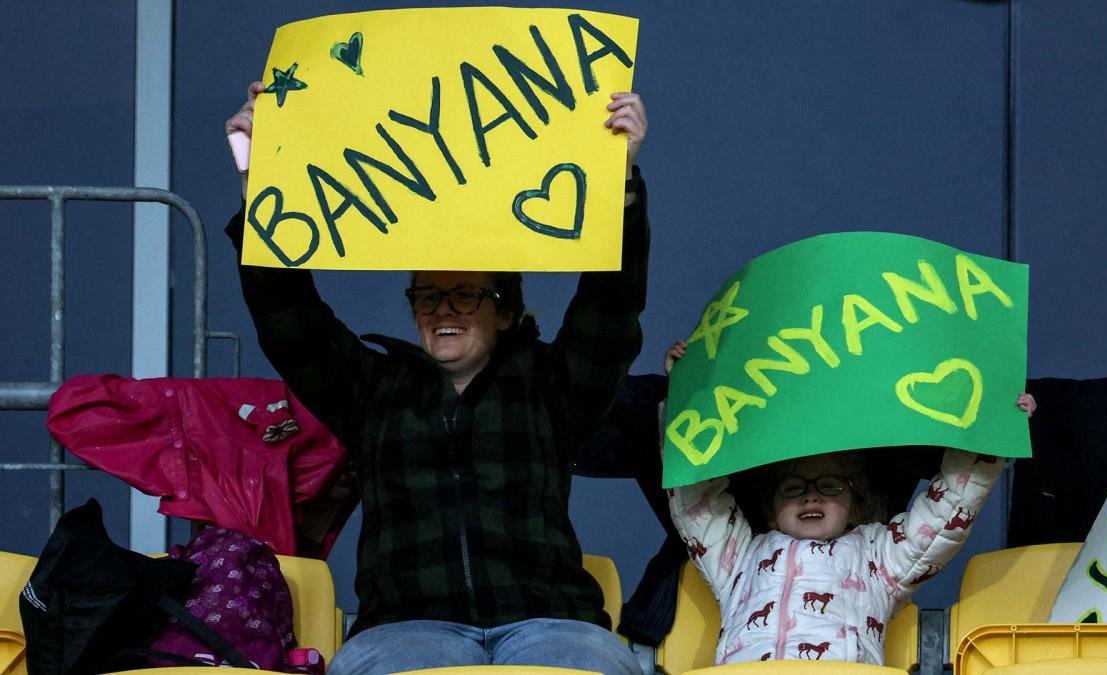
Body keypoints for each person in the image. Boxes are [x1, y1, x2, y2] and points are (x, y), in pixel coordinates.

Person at [223, 80, 649, 675]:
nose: (443, 310)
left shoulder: (552, 387)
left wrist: (620, 182)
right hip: (406, 628)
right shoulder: (372, 389)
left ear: (504, 310)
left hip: (549, 623)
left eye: (465, 295)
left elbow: (611, 307)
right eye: (427, 296)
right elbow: (287, 318)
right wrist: (261, 184)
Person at [662, 340, 1034, 665]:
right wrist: (687, 391)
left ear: (857, 505)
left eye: (830, 485)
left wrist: (993, 429)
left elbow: (948, 508)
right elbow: (694, 498)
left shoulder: (879, 558)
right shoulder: (739, 559)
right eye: (793, 488)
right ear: (770, 512)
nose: (811, 494)